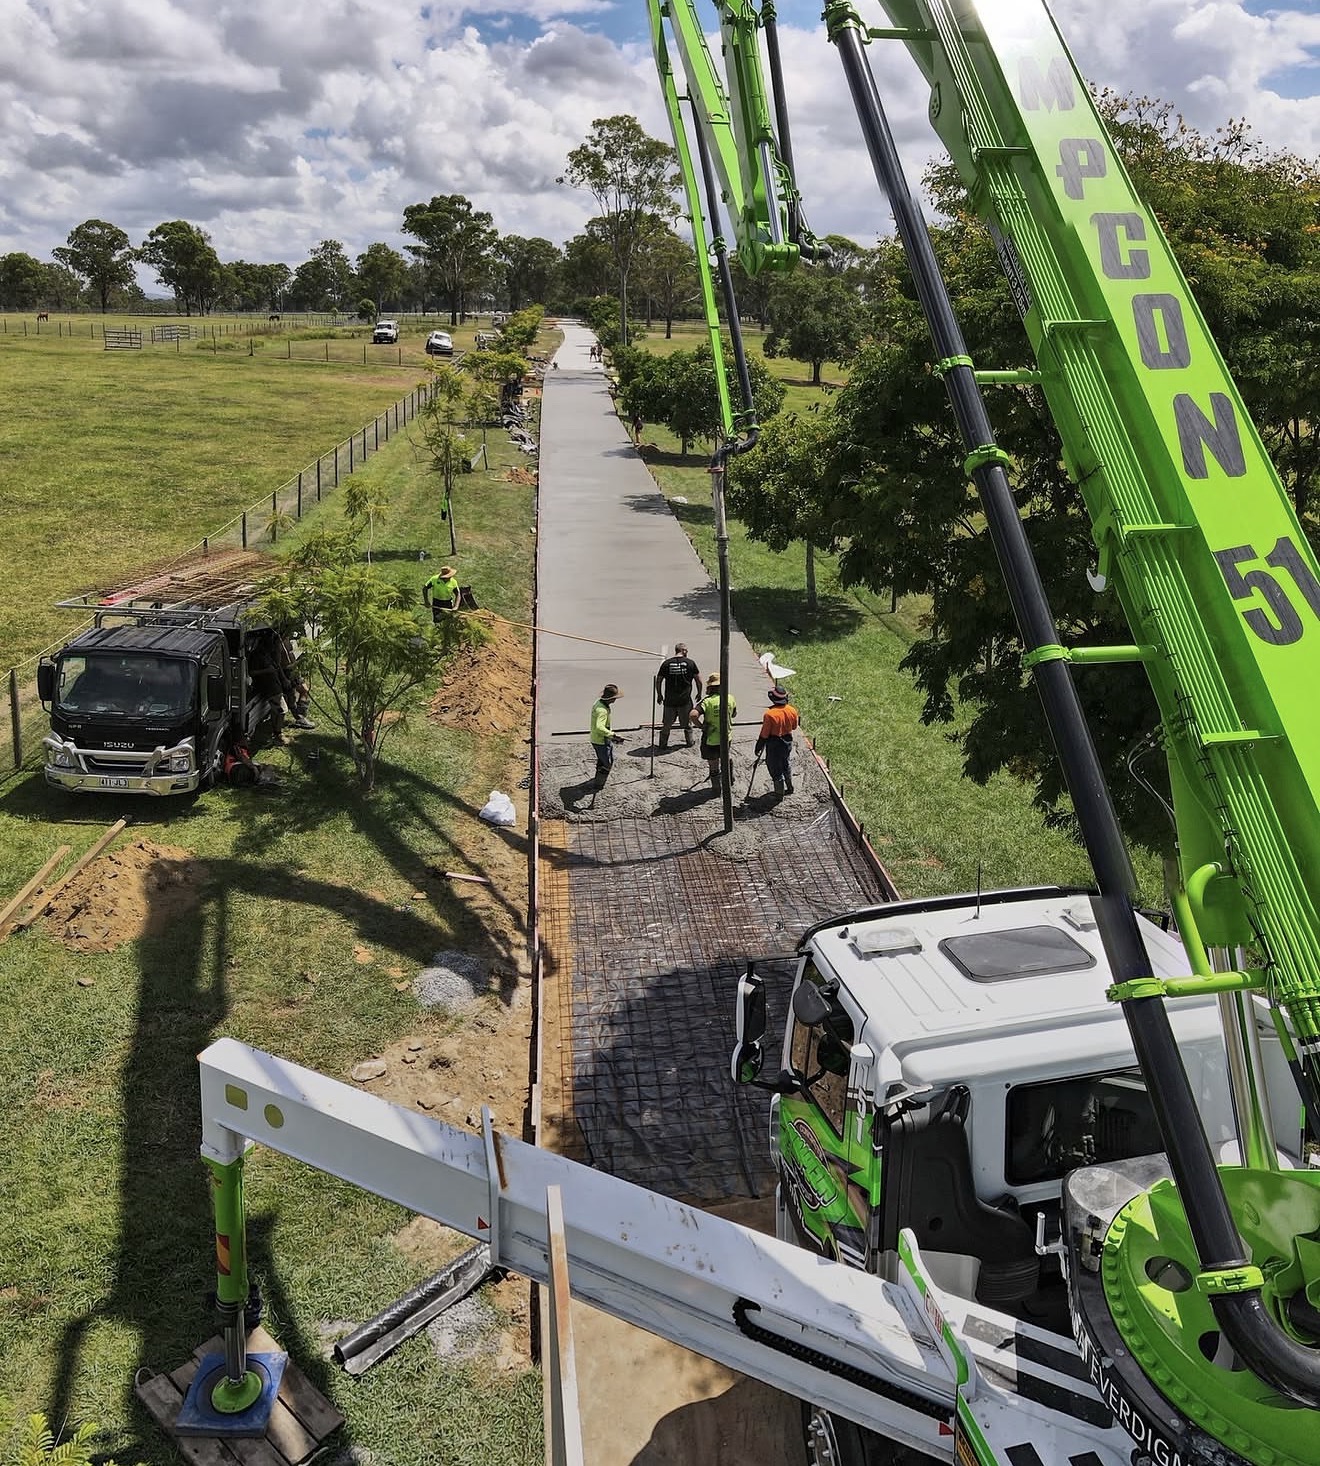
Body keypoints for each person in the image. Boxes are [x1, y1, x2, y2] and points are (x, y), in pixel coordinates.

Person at [654, 642, 701, 749]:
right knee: (687, 724)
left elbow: (659, 680)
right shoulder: (690, 663)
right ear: (683, 651)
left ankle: (663, 744)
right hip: (684, 700)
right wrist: (699, 692)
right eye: (686, 650)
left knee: (667, 724)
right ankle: (689, 742)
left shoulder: (666, 664)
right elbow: (698, 680)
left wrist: (659, 694)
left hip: (669, 700)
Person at [694, 673, 736, 790]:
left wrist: (701, 726)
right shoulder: (730, 698)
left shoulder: (707, 702)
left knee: (713, 764)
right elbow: (734, 714)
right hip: (726, 736)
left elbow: (693, 715)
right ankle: (729, 780)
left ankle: (716, 788)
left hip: (711, 738)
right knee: (726, 757)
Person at [755, 685, 799, 797]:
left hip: (774, 743)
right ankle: (789, 787)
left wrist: (758, 746)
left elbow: (764, 734)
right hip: (787, 741)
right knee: (785, 763)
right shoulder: (792, 710)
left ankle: (779, 794)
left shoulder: (769, 714)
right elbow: (794, 727)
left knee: (775, 768)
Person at [590, 683, 625, 788]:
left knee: (603, 759)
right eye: (614, 698)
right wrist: (613, 735)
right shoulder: (602, 710)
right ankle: (598, 784)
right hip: (600, 740)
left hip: (599, 738)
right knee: (607, 763)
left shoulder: (598, 703)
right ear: (611, 698)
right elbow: (599, 727)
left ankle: (599, 776)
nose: (615, 700)